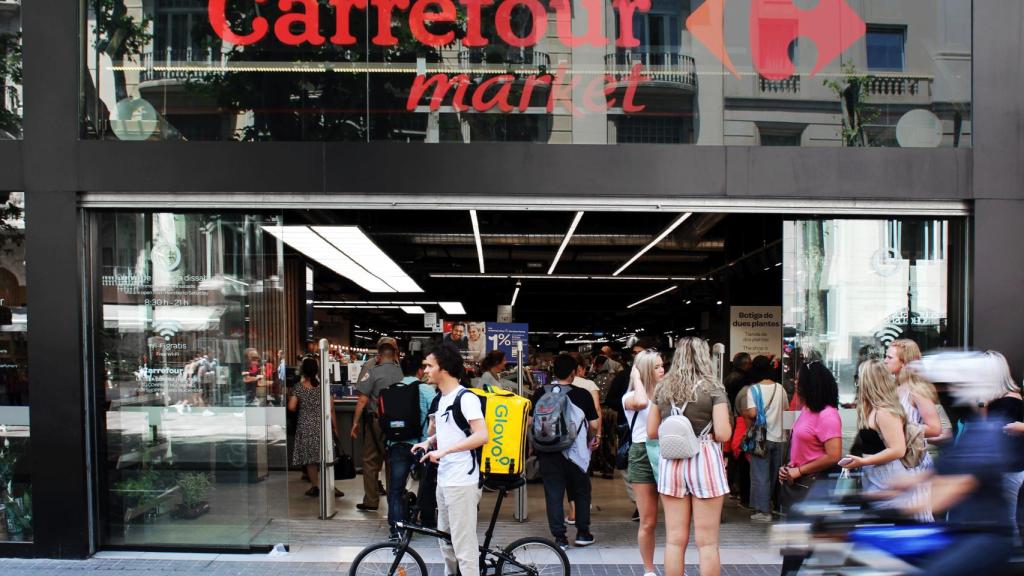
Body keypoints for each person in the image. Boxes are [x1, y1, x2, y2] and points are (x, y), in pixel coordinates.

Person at [647, 338, 732, 576]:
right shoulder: (713, 388)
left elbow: (652, 432)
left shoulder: (663, 388)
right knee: (707, 543)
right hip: (705, 460)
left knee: (674, 540)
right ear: (704, 357)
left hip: (672, 461)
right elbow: (724, 433)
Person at [412, 345, 488, 576]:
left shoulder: (466, 398)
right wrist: (430, 442)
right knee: (445, 541)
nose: (425, 370)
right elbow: (451, 430)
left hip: (462, 481)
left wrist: (444, 452)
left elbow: (482, 436)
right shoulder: (443, 398)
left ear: (443, 370)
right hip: (444, 480)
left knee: (464, 547)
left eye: (429, 366)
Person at [841, 359, 930, 521]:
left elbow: (898, 449)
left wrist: (863, 462)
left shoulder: (884, 412)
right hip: (878, 480)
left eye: (859, 378)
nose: (857, 383)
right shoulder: (872, 409)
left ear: (868, 381)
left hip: (888, 481)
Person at [529, 353, 600, 549]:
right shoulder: (582, 394)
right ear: (574, 372)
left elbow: (529, 421)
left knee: (553, 493)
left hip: (548, 451)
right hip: (576, 452)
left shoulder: (539, 393)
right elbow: (594, 424)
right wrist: (590, 438)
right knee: (581, 491)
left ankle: (560, 538)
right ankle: (583, 534)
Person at [384, 353, 437, 540]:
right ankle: (428, 522)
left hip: (397, 444)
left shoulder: (391, 390)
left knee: (396, 489)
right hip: (422, 445)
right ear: (420, 371)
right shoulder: (427, 390)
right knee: (427, 484)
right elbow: (436, 418)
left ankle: (396, 530)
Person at [778, 361, 842, 512]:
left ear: (810, 384)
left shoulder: (828, 415)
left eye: (799, 380)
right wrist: (788, 467)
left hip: (813, 486)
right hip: (799, 483)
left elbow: (834, 455)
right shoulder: (807, 410)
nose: (796, 383)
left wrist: (800, 470)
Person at [621, 349, 664, 576]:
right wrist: (637, 378)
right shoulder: (629, 397)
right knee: (648, 520)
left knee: (678, 521)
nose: (662, 369)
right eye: (656, 367)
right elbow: (640, 401)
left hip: (668, 452)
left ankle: (676, 567)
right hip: (642, 453)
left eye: (662, 365)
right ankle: (649, 570)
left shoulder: (669, 393)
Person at [351, 337, 404, 512]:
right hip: (397, 423)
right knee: (392, 460)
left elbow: (362, 400)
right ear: (394, 352)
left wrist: (355, 423)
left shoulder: (373, 370)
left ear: (379, 354)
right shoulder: (400, 371)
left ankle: (371, 500)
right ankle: (394, 500)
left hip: (376, 422)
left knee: (371, 461)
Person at [981, 351, 1023, 540]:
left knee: (1007, 518)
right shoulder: (1000, 399)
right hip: (1006, 465)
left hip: (1009, 466)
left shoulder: (1009, 400)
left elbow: (989, 430)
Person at [288, 356, 342, 498]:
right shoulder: (324, 387)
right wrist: (335, 429)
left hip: (305, 426)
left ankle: (315, 486)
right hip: (322, 425)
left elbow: (291, 407)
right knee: (327, 457)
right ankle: (331, 486)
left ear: (303, 371)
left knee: (311, 459)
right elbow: (331, 409)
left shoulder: (299, 387)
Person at [743, 355, 789, 522]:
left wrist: (748, 413)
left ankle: (764, 512)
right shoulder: (780, 388)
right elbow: (786, 410)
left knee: (761, 475)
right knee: (777, 475)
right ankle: (777, 506)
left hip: (762, 439)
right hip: (780, 439)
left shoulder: (753, 390)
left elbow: (753, 413)